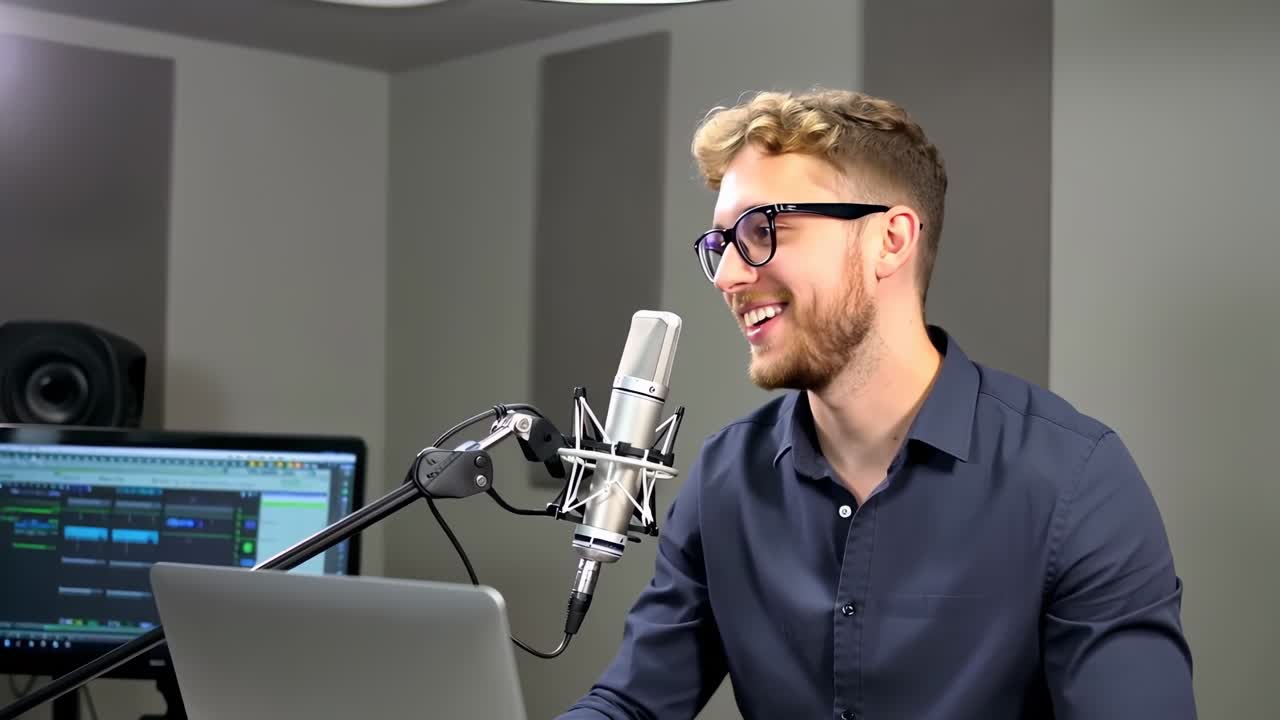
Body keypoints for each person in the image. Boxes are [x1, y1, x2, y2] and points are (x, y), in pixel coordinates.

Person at [557, 88, 1195, 720]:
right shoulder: (726, 478)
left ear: (891, 240)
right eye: (723, 244)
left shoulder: (1077, 481)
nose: (727, 276)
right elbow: (632, 705)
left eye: (762, 228)